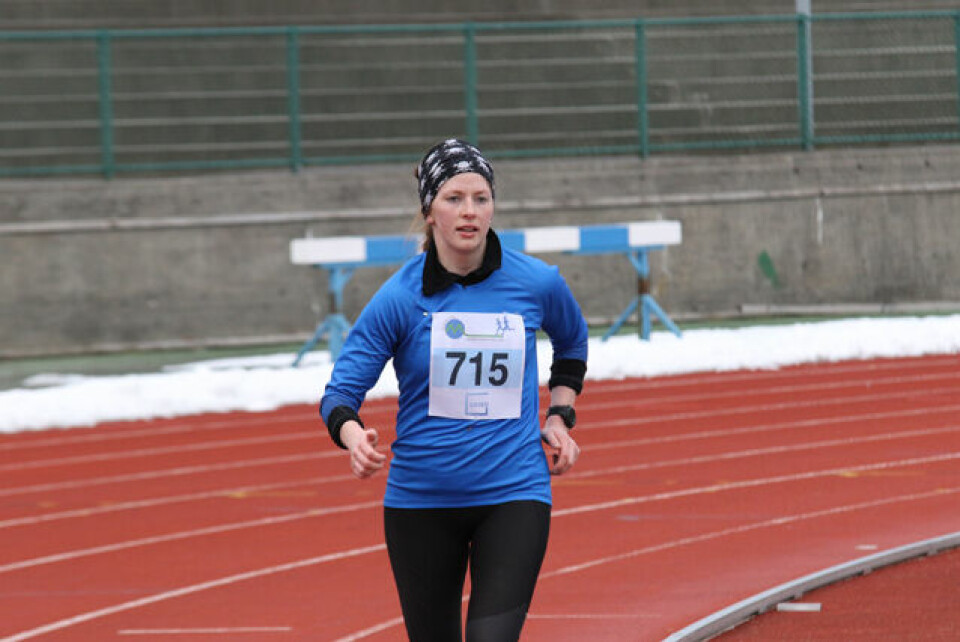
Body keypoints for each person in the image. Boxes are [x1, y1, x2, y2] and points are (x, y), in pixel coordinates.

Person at [319, 138, 589, 642]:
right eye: (454, 198)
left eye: (481, 198)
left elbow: (572, 341)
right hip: (421, 503)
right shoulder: (399, 298)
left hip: (514, 492)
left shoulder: (537, 283)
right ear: (428, 211)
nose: (469, 212)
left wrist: (559, 415)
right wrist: (353, 436)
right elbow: (339, 393)